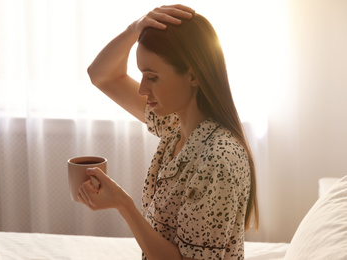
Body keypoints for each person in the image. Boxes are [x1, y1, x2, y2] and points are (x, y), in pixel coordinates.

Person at [80, 4, 258, 260]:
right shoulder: (175, 125)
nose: (142, 89)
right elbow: (100, 76)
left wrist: (123, 204)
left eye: (152, 77)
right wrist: (134, 29)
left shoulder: (218, 160)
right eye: (142, 75)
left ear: (193, 76)